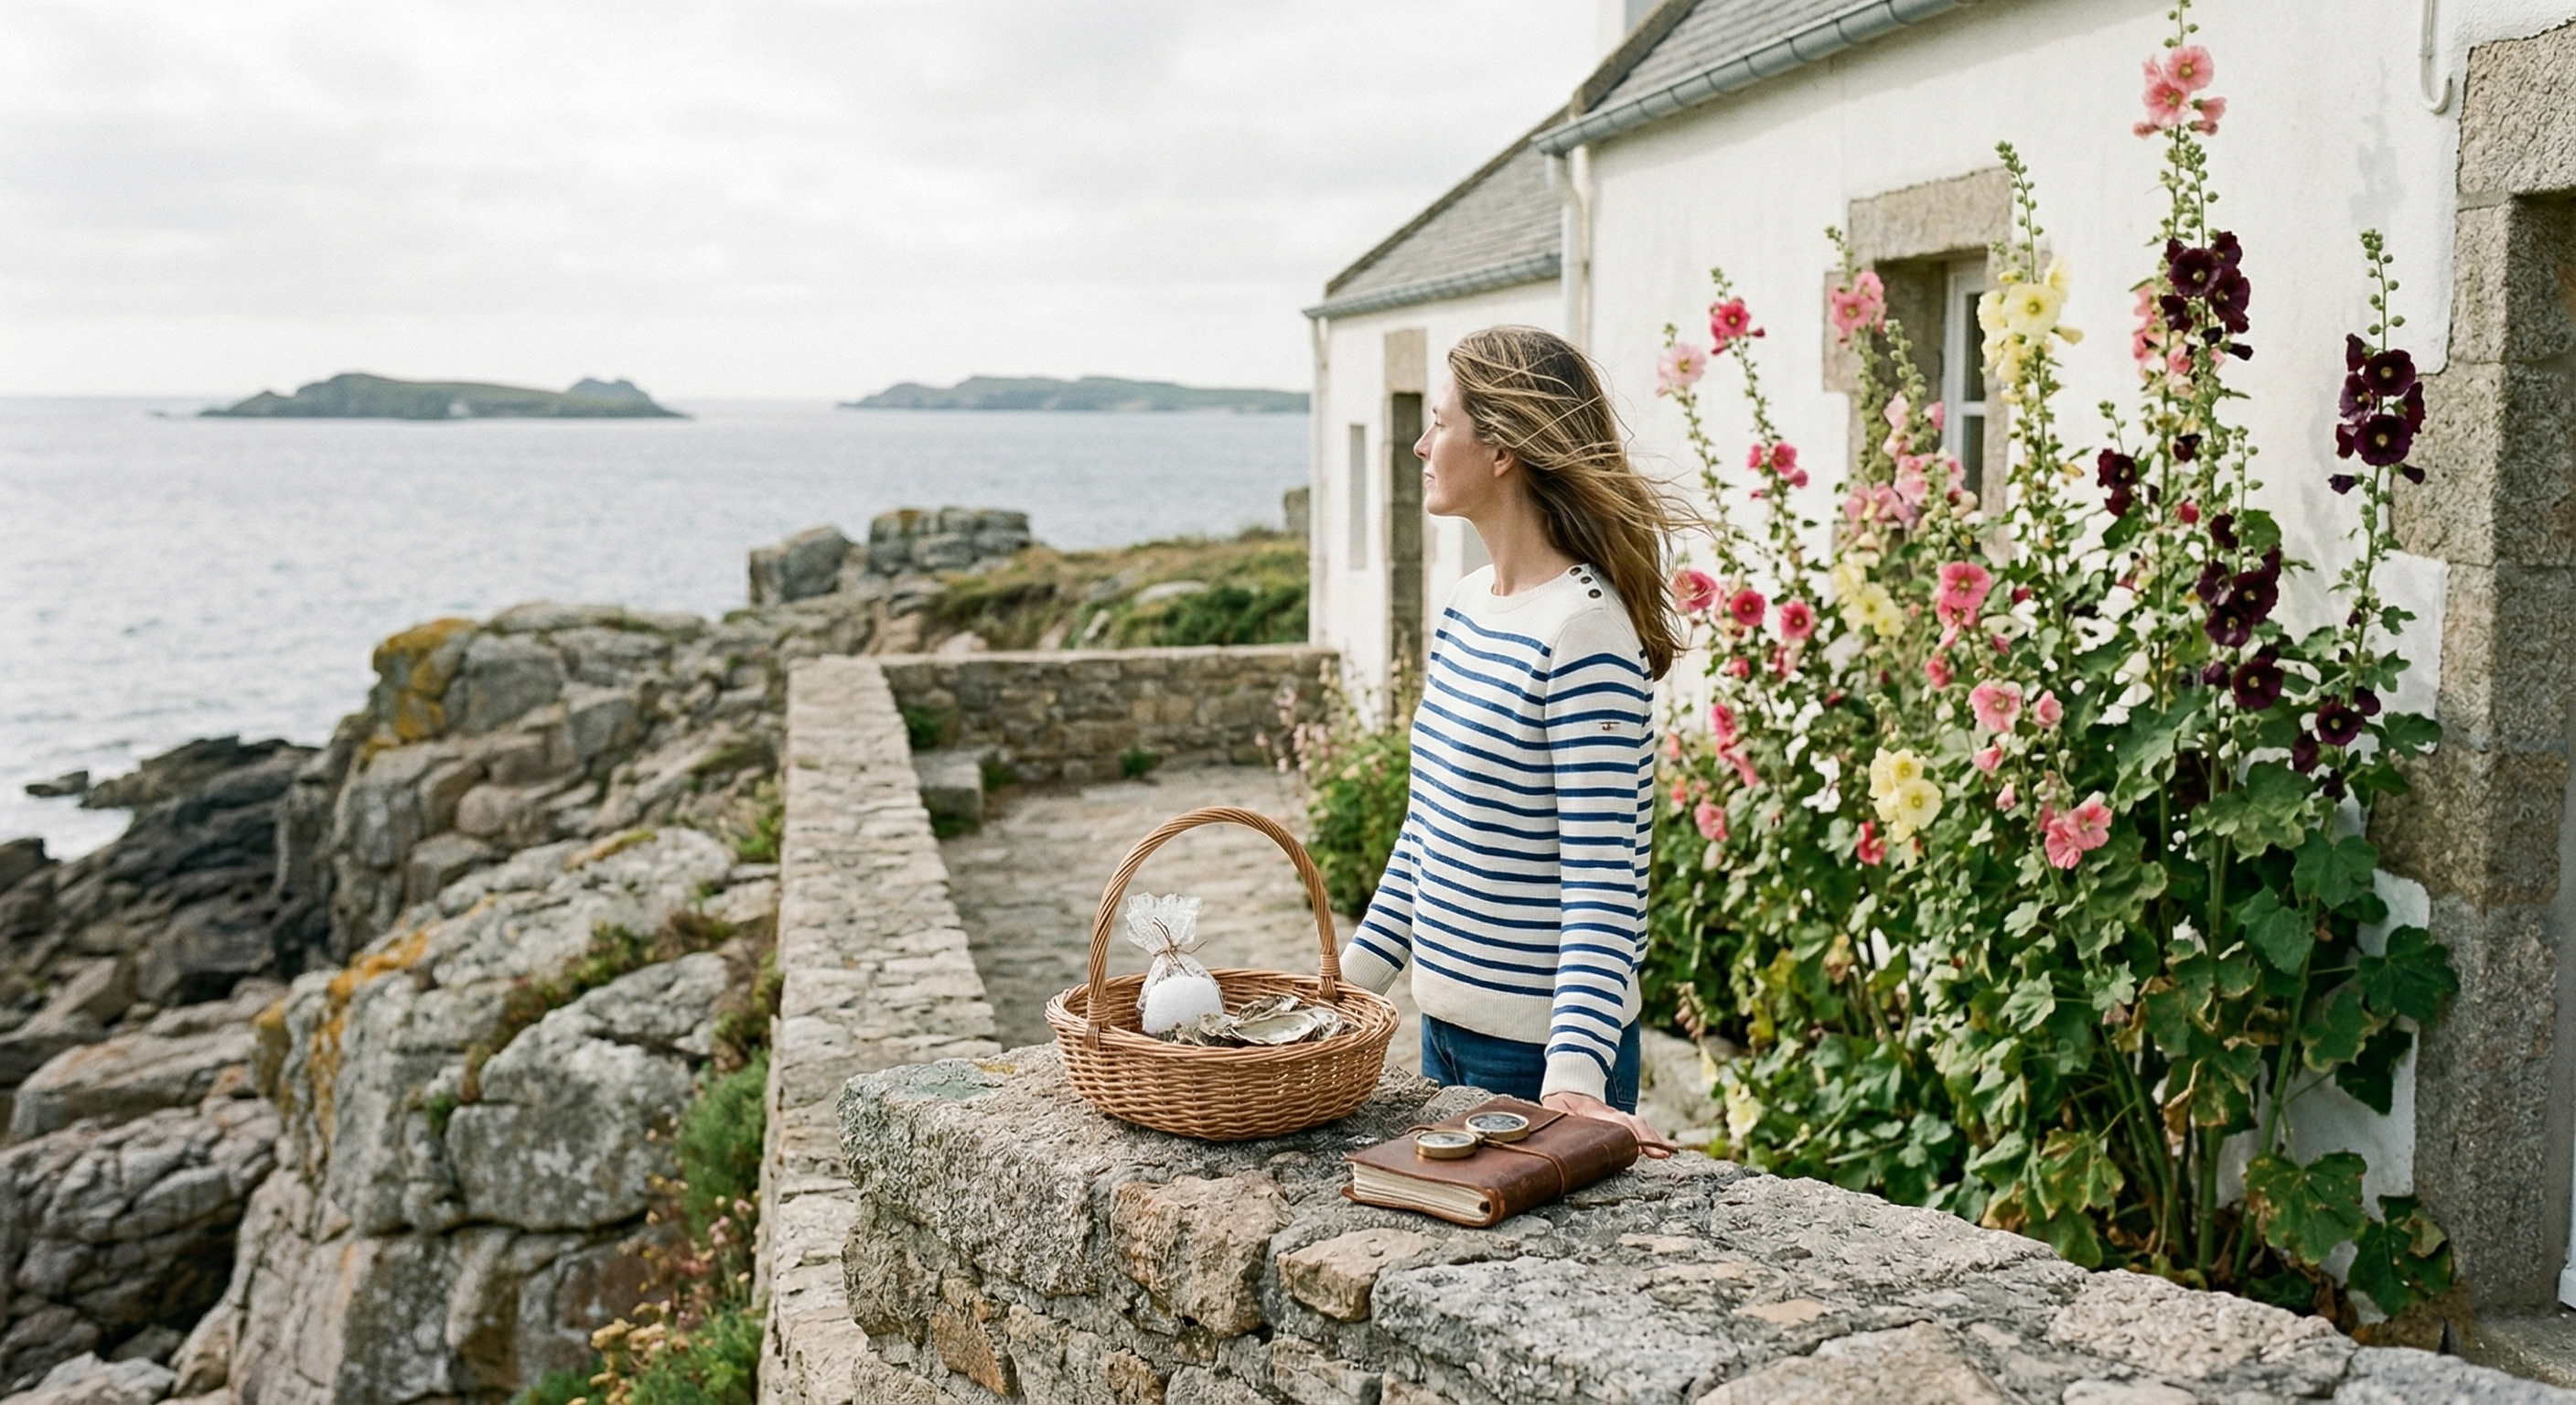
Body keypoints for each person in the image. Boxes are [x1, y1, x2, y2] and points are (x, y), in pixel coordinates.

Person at [1338, 326, 1680, 1157]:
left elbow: (1606, 876)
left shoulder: (1583, 631)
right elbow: (1429, 829)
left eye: (1440, 422)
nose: (1421, 445)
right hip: (1441, 1029)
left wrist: (1573, 1075)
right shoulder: (1464, 608)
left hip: (1534, 1058)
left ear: (1501, 451)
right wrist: (1345, 989)